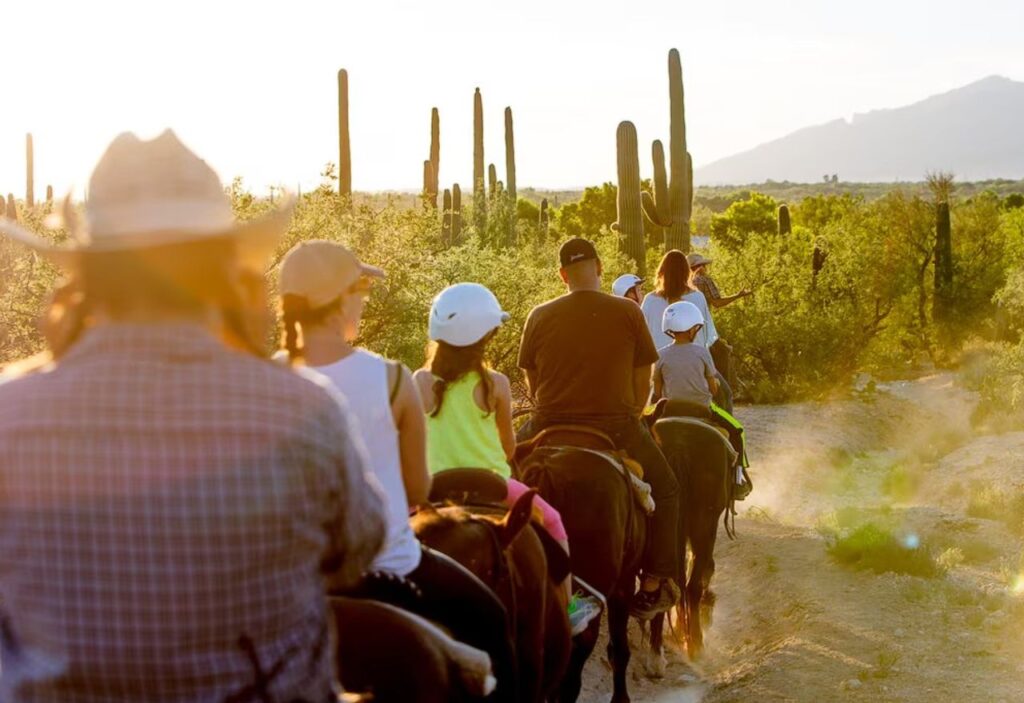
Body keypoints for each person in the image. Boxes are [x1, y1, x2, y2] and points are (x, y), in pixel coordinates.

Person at [0, 130, 387, 702]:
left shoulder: (10, 414)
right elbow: (358, 548)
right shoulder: (302, 409)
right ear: (226, 269)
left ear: (85, 274)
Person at [277, 242, 517, 701]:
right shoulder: (390, 378)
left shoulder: (263, 376)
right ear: (341, 298)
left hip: (291, 575)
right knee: (492, 618)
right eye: (361, 288)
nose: (364, 299)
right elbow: (416, 487)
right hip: (389, 560)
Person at [412, 282, 603, 635]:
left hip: (433, 490)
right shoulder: (495, 384)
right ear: (487, 335)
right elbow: (508, 446)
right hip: (492, 486)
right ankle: (569, 605)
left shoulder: (419, 381)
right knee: (554, 522)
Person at [517, 237, 681, 619]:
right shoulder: (628, 311)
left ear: (562, 276)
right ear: (600, 268)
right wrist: (633, 412)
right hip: (616, 425)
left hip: (548, 422)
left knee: (498, 476)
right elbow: (644, 375)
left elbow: (531, 381)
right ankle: (655, 581)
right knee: (669, 488)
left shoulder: (539, 314)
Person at [653, 301, 751, 498]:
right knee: (738, 432)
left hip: (668, 410)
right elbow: (714, 389)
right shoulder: (702, 352)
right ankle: (738, 480)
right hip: (702, 409)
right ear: (693, 328)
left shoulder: (660, 355)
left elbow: (657, 391)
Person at [641, 250, 733, 413]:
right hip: (696, 367)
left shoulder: (649, 301)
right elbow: (708, 338)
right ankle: (730, 438)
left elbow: (641, 339)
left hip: (659, 368)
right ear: (687, 273)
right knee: (725, 394)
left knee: (646, 411)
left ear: (661, 273)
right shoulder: (697, 298)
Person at [688, 252, 751, 398]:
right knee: (723, 352)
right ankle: (728, 391)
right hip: (704, 329)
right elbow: (717, 303)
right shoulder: (704, 280)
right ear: (700, 267)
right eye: (704, 265)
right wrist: (738, 295)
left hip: (685, 330)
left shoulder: (685, 283)